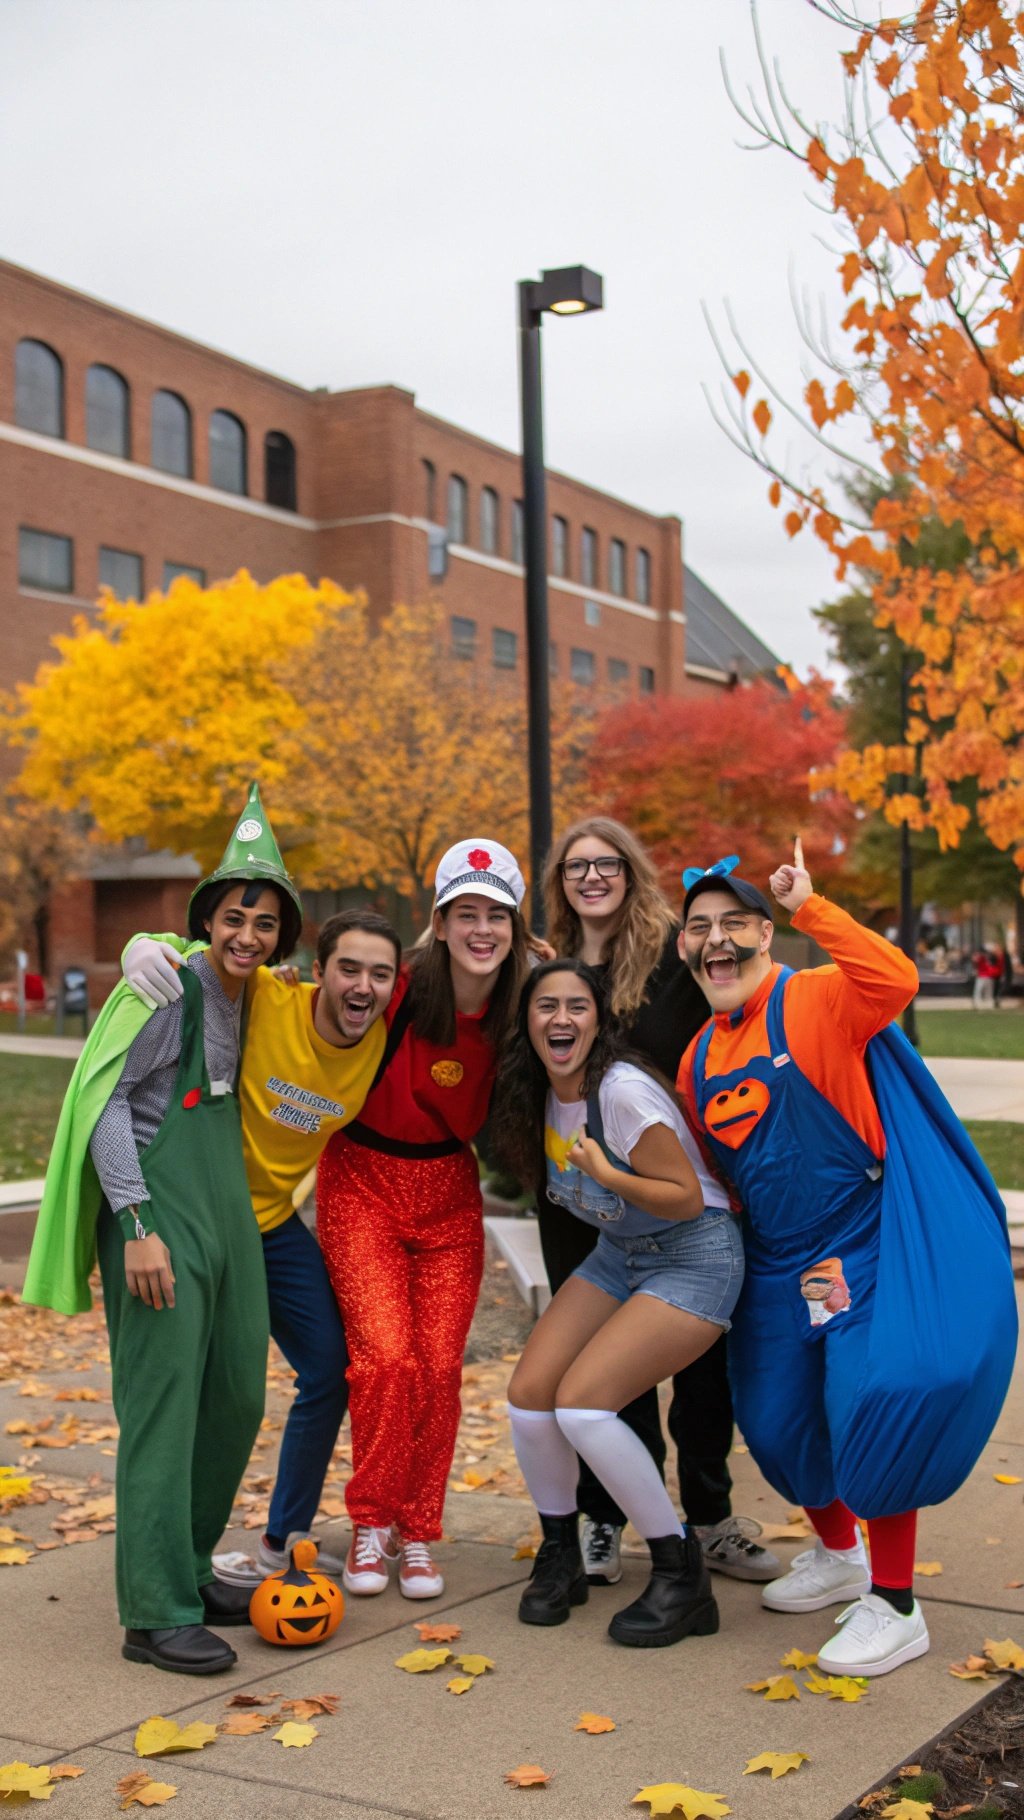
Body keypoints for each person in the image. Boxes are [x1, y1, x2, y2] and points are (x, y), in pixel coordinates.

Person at [677, 851, 1017, 1677]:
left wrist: (813, 907)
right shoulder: (695, 1060)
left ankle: (896, 1604)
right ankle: (840, 1555)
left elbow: (894, 980)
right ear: (684, 951)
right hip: (775, 1264)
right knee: (776, 1423)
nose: (715, 943)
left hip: (860, 1244)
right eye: (697, 929)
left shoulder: (819, 995)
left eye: (733, 925)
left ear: (765, 934)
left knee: (872, 1404)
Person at [23, 789, 300, 1674]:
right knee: (162, 1411)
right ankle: (152, 1611)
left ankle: (186, 1563)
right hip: (159, 1215)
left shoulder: (252, 995)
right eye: (233, 917)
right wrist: (136, 1222)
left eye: (263, 922)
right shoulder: (170, 985)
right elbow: (105, 1103)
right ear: (206, 922)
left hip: (227, 1218)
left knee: (235, 1399)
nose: (247, 934)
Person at [114, 791, 402, 1586]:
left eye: (380, 975)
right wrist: (144, 942)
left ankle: (280, 1539)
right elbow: (202, 964)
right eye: (349, 968)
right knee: (186, 1398)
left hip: (267, 1229)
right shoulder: (260, 998)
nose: (363, 985)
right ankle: (164, 1579)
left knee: (318, 1371)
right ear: (315, 968)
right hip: (185, 1215)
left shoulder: (381, 1035)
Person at [538, 816, 778, 1589]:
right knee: (603, 1368)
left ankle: (708, 1518)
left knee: (700, 1369)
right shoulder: (553, 965)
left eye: (607, 863)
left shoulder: (675, 955)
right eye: (576, 868)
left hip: (679, 1183)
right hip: (584, 1192)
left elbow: (743, 997)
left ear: (630, 870)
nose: (592, 878)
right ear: (560, 883)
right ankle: (607, 1516)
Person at [490, 959, 744, 1648]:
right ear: (528, 1022)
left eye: (578, 1005)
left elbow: (687, 1197)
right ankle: (560, 1554)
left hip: (695, 1255)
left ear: (598, 1019)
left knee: (583, 1405)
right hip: (621, 1256)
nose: (562, 1018)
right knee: (531, 1394)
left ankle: (679, 1571)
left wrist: (605, 1174)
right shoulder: (539, 1090)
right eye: (547, 1006)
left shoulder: (623, 1092)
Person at [317, 838, 529, 1602]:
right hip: (361, 1180)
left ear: (513, 927)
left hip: (448, 1191)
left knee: (438, 1370)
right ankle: (371, 1521)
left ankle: (420, 1532)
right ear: (439, 923)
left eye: (495, 916)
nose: (481, 930)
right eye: (465, 913)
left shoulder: (518, 1005)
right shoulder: (396, 987)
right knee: (385, 1360)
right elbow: (301, 995)